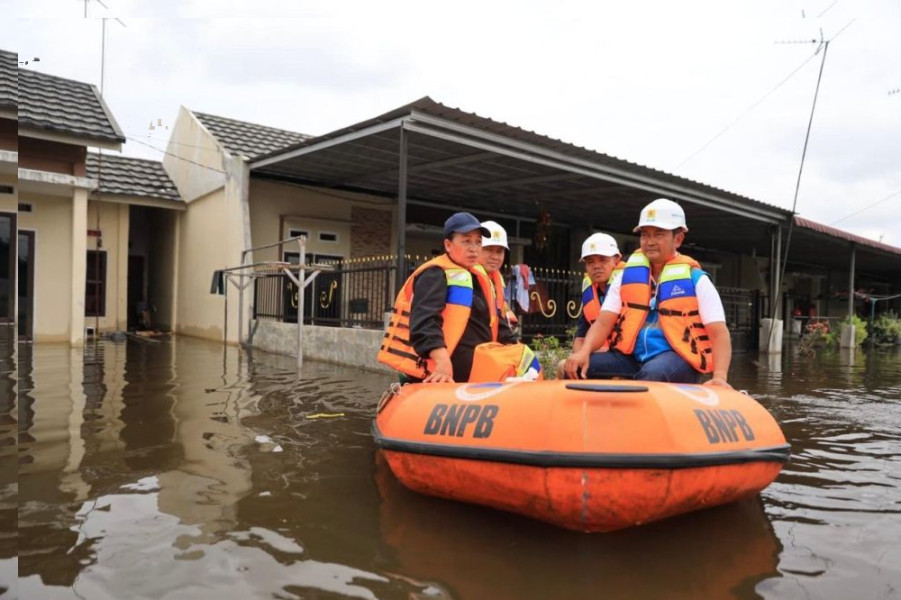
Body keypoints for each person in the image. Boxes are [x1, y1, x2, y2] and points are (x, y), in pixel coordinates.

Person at [563, 198, 733, 387]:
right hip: (633, 357)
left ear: (678, 239)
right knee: (571, 368)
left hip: (678, 358)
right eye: (645, 235)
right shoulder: (625, 277)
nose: (649, 242)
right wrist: (583, 352)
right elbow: (603, 322)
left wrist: (719, 377)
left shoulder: (697, 280)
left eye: (658, 235)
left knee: (652, 374)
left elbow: (718, 333)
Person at [378, 212, 497, 383]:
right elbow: (424, 323)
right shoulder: (434, 273)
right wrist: (442, 361)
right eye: (466, 241)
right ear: (448, 245)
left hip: (477, 368)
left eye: (478, 242)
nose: (474, 248)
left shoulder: (477, 277)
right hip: (442, 373)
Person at [555, 232, 622, 378]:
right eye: (590, 262)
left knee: (575, 369)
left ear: (617, 260)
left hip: (626, 355)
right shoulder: (591, 292)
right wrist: (581, 354)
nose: (596, 266)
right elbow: (579, 338)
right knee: (566, 366)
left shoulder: (629, 285)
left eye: (603, 260)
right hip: (599, 353)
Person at [479, 220, 519, 343]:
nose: (495, 256)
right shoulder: (467, 277)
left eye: (499, 251)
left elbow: (501, 317)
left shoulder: (496, 280)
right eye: (489, 249)